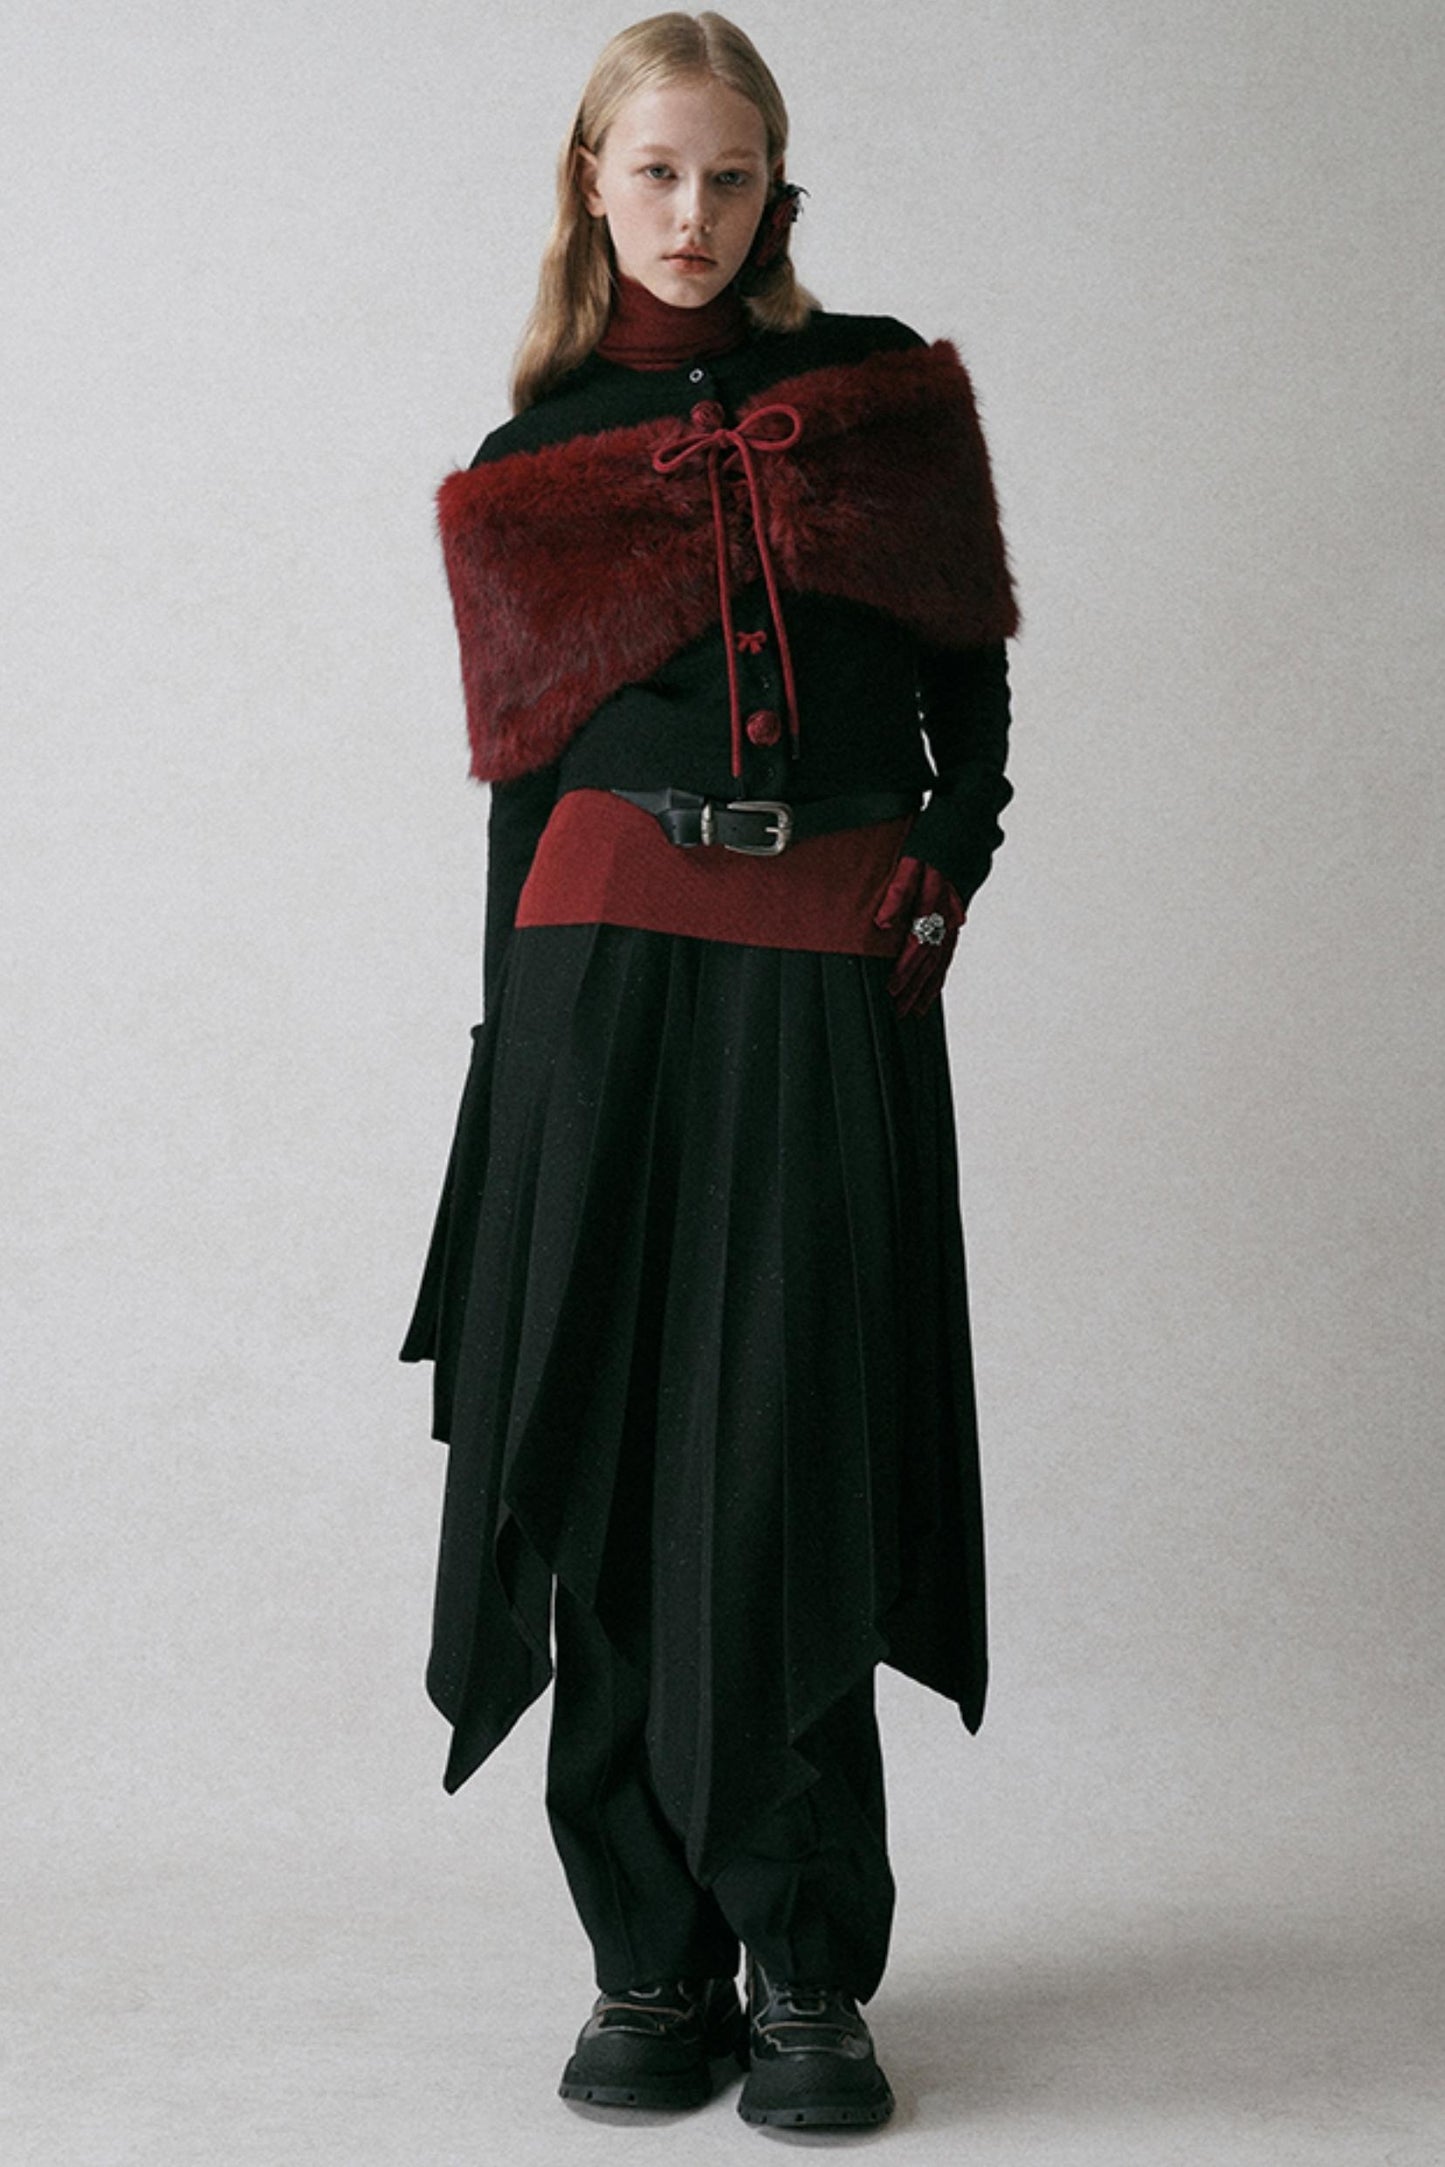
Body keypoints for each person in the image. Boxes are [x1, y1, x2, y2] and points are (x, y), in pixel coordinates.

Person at [400, 8, 1018, 2131]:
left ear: (776, 192)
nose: (690, 212)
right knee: (606, 1428)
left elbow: (967, 686)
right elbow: (518, 789)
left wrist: (947, 865)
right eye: (654, 171)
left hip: (822, 963)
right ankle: (645, 1961)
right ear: (593, 184)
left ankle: (806, 1965)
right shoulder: (532, 456)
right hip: (596, 976)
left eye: (728, 175)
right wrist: (510, 1068)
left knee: (790, 1439)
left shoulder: (879, 389)